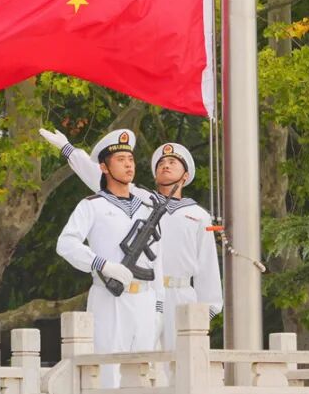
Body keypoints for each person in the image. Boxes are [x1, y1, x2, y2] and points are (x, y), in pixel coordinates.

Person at [42, 128, 223, 353]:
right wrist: (68, 149)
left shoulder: (199, 215)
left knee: (184, 362)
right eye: (161, 163)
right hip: (144, 290)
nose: (165, 165)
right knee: (144, 365)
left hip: (181, 294)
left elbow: (207, 266)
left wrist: (209, 308)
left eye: (173, 163)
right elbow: (99, 176)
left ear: (185, 176)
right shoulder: (142, 201)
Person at [54, 129, 164, 388]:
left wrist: (160, 304)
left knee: (147, 377)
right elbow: (65, 243)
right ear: (103, 167)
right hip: (110, 296)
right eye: (120, 160)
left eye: (131, 159)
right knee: (110, 375)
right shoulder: (92, 205)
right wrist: (102, 264)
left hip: (146, 299)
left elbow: (158, 260)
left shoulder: (147, 206)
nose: (128, 164)